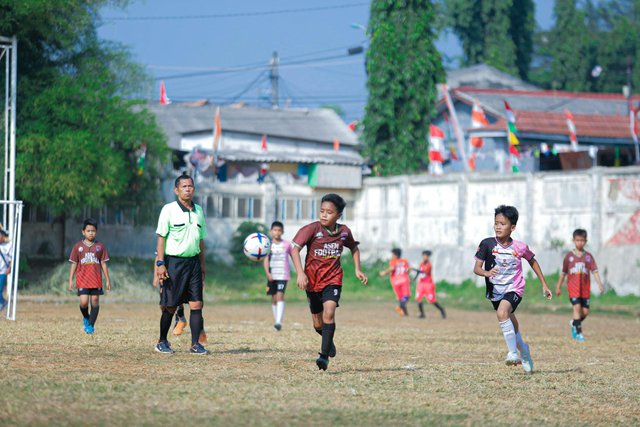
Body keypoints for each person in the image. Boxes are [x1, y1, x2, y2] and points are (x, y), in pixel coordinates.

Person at [291, 193, 368, 371]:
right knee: (318, 324)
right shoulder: (311, 229)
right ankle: (328, 341)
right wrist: (300, 273)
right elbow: (294, 249)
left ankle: (323, 356)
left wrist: (357, 269)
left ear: (338, 215)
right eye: (322, 211)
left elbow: (354, 247)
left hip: (333, 279)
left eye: (329, 212)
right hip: (311, 281)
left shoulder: (344, 232)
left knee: (330, 312)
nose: (324, 215)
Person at [473, 205, 552, 374]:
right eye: (496, 223)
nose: (498, 227)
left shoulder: (520, 247)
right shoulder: (487, 244)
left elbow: (532, 261)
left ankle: (512, 354)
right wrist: (487, 272)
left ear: (513, 227)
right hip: (496, 291)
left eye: (502, 224)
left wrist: (544, 284)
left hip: (515, 288)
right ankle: (524, 350)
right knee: (512, 324)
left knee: (502, 313)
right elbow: (477, 268)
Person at [154, 174, 208, 355]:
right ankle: (162, 341)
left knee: (196, 304)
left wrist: (202, 265)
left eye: (190, 186)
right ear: (176, 190)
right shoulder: (168, 210)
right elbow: (161, 238)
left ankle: (195, 344)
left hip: (193, 263)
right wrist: (160, 264)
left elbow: (201, 241)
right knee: (170, 305)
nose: (187, 189)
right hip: (173, 263)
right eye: (184, 186)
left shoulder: (199, 210)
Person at [555, 229, 604, 342]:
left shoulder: (588, 257)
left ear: (585, 241)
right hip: (573, 289)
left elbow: (595, 271)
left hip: (585, 290)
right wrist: (558, 287)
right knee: (576, 308)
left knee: (585, 312)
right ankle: (578, 333)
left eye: (582, 240)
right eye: (577, 240)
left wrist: (599, 284)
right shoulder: (569, 257)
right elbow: (563, 273)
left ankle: (574, 323)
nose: (580, 243)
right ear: (573, 241)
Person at [68, 218, 111, 334]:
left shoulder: (100, 246)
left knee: (95, 301)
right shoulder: (78, 247)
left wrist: (107, 280)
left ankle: (90, 326)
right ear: (83, 232)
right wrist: (71, 279)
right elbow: (74, 263)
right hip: (82, 279)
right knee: (83, 302)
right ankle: (86, 317)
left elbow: (103, 263)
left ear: (96, 232)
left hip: (96, 280)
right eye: (88, 231)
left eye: (93, 231)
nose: (91, 233)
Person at [153, 252, 207, 343]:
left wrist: (202, 267)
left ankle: (198, 330)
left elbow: (201, 247)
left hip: (189, 266)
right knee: (164, 304)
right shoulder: (166, 242)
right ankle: (179, 319)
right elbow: (158, 255)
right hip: (171, 267)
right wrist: (156, 276)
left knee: (196, 303)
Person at [262, 221, 292, 331]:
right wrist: (268, 273)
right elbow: (265, 260)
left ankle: (279, 322)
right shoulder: (268, 245)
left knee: (280, 296)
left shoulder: (287, 245)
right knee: (274, 298)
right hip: (272, 275)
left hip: (283, 275)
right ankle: (276, 321)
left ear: (282, 232)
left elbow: (294, 256)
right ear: (271, 231)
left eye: (279, 230)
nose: (277, 232)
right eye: (275, 230)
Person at [414, 250, 446, 319]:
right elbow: (419, 272)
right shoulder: (421, 264)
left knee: (432, 301)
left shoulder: (429, 265)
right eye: (423, 256)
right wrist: (415, 277)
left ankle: (441, 309)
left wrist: (413, 269)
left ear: (428, 257)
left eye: (426, 256)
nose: (424, 257)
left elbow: (423, 271)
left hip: (428, 284)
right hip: (421, 283)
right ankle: (422, 314)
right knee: (418, 298)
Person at [379, 248, 411, 316]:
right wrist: (408, 270)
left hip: (395, 281)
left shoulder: (393, 261)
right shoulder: (405, 261)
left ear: (395, 255)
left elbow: (392, 268)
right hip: (404, 280)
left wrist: (384, 272)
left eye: (392, 254)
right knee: (406, 297)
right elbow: (408, 270)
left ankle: (404, 312)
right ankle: (401, 308)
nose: (392, 255)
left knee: (400, 298)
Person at [0, 229, 13, 312]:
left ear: (3, 236)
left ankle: (3, 302)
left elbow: (12, 258)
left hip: (3, 271)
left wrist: (10, 268)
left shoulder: (8, 245)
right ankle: (3, 302)